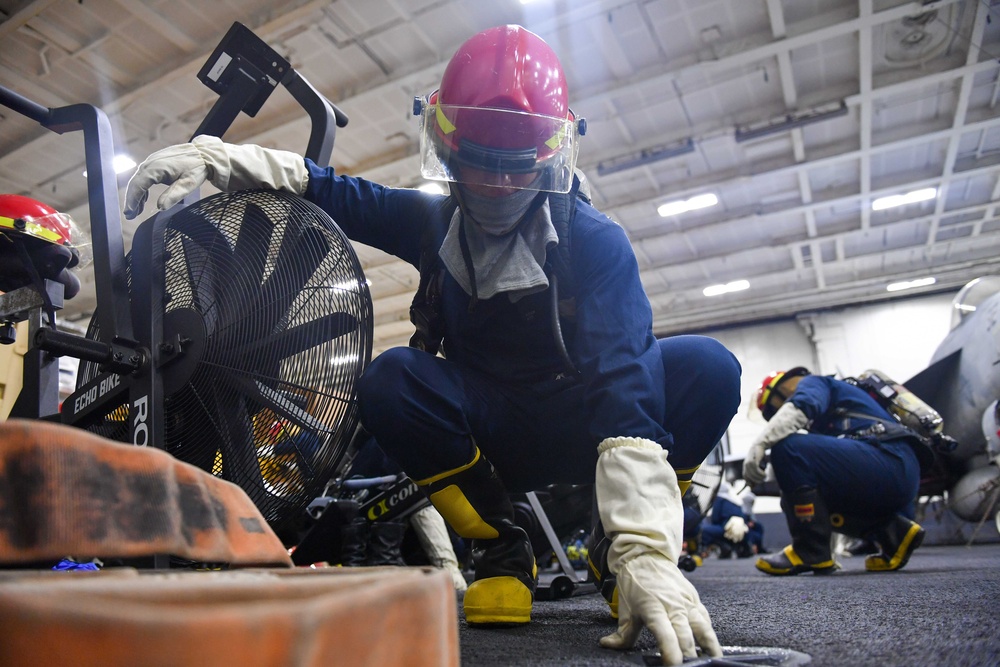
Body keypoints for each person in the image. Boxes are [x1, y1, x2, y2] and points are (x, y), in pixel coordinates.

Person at [123, 24, 742, 664]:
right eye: (480, 161)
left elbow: (626, 385)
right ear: (446, 146)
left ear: (551, 156)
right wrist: (219, 156)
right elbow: (331, 190)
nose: (498, 186)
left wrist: (645, 546)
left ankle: (619, 554)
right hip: (489, 438)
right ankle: (504, 541)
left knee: (708, 368)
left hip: (589, 423)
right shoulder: (431, 223)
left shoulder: (595, 242)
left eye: (515, 165)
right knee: (391, 377)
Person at [743, 367, 928, 576]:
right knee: (807, 487)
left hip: (888, 461)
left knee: (789, 449)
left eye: (773, 408)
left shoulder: (814, 382)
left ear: (780, 391)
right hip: (897, 475)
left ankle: (809, 551)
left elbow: (801, 404)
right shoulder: (832, 414)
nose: (777, 413)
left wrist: (760, 444)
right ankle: (894, 533)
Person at [699, 482, 762, 559]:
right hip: (742, 531)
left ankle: (719, 546)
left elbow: (715, 518)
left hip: (725, 529)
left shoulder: (719, 500)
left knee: (705, 531)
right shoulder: (734, 500)